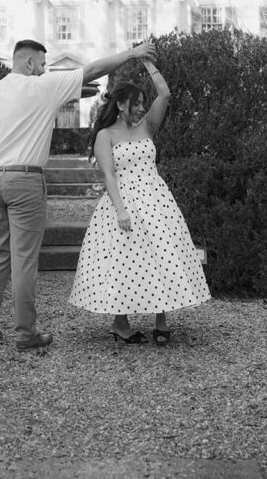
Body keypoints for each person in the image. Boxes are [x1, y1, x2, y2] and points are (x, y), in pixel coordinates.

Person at [0, 38, 156, 351]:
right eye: (42, 64)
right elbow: (95, 69)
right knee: (24, 259)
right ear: (29, 63)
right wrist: (134, 53)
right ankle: (26, 333)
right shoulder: (42, 86)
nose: (45, 70)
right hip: (24, 180)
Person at [68, 57, 210, 346]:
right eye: (136, 103)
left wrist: (148, 63)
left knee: (162, 254)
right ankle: (120, 323)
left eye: (143, 103)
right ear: (121, 105)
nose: (142, 108)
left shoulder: (146, 127)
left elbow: (166, 94)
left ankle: (161, 320)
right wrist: (120, 210)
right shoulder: (105, 136)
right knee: (123, 261)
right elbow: (108, 175)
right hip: (123, 203)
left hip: (156, 200)